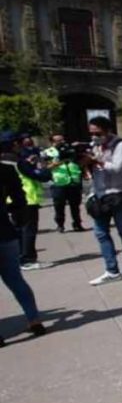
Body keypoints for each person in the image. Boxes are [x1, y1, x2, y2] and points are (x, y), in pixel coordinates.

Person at [0, 135, 48, 345]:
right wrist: (5, 210)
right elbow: (19, 200)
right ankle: (34, 319)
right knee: (16, 279)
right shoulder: (6, 170)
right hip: (4, 230)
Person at [82, 116, 122, 285]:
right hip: (99, 195)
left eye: (97, 133)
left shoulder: (121, 145)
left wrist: (97, 160)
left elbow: (118, 168)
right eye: (91, 133)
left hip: (119, 193)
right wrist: (85, 164)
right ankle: (111, 270)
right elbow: (92, 172)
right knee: (100, 232)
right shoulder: (94, 146)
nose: (94, 137)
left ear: (107, 129)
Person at [10, 135, 52, 270]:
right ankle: (28, 260)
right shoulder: (19, 161)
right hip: (27, 199)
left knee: (19, 230)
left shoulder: (7, 160)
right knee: (28, 230)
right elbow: (41, 176)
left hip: (13, 199)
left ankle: (19, 258)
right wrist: (43, 167)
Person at [42, 133, 86, 233]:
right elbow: (44, 167)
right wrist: (56, 163)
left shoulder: (70, 149)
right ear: (52, 142)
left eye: (63, 140)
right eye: (58, 140)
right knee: (59, 206)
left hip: (73, 181)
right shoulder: (47, 152)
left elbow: (79, 162)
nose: (62, 142)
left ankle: (77, 224)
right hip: (58, 182)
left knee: (75, 205)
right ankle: (60, 225)